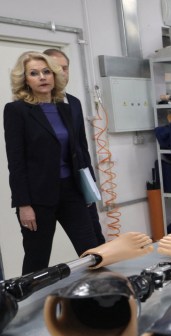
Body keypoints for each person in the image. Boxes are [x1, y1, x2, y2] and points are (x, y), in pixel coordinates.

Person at [3, 51, 98, 275]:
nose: (42, 77)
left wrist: (89, 189)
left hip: (72, 191)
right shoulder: (17, 111)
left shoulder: (66, 107)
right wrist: (23, 204)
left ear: (54, 75)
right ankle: (28, 297)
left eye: (46, 72)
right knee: (37, 259)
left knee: (92, 251)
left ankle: (104, 293)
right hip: (37, 199)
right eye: (34, 73)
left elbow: (80, 151)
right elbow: (16, 161)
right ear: (25, 80)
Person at [43, 48, 105, 245]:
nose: (62, 73)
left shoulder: (74, 102)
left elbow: (81, 148)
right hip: (46, 189)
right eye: (55, 68)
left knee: (95, 240)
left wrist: (90, 185)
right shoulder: (30, 108)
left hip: (77, 183)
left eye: (65, 68)